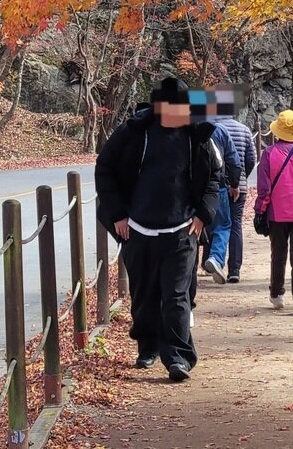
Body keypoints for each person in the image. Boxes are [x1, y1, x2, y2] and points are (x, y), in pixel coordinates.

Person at [95, 78, 222, 382]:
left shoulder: (198, 135)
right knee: (144, 295)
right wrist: (118, 215)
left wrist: (203, 215)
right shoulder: (133, 132)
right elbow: (105, 169)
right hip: (137, 228)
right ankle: (147, 346)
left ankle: (178, 358)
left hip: (182, 229)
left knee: (176, 296)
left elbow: (215, 176)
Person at [255, 110, 293, 315]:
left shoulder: (269, 154)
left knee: (278, 254)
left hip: (277, 213)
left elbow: (264, 188)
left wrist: (260, 210)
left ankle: (277, 293)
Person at [212, 108, 257, 283]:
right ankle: (234, 270)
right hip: (239, 185)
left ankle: (211, 260)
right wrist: (240, 178)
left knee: (214, 221)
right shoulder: (244, 130)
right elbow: (251, 159)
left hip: (216, 184)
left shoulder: (211, 128)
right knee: (235, 225)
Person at [202, 119, 243, 284]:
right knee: (223, 225)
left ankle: (188, 271)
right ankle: (216, 258)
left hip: (187, 188)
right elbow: (234, 161)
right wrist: (234, 184)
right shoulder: (219, 130)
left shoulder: (183, 127)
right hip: (216, 186)